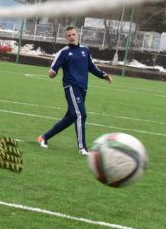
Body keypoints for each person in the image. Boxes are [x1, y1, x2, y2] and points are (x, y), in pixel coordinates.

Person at [37, 26, 113, 154]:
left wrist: (103, 75)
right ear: (66, 38)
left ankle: (43, 137)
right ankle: (82, 148)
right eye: (69, 35)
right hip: (71, 87)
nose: (71, 37)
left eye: (73, 34)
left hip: (83, 88)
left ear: (78, 35)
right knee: (81, 115)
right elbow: (53, 68)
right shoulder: (64, 52)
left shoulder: (85, 50)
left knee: (71, 117)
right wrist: (52, 72)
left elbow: (92, 67)